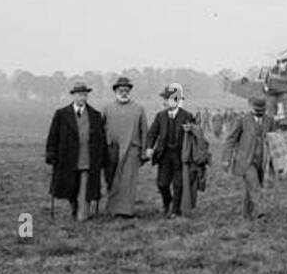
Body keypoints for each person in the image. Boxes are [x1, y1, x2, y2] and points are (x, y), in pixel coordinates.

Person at [46, 80, 107, 221]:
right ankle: (74, 206)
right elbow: (53, 136)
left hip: (88, 158)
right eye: (79, 95)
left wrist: (103, 157)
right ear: (73, 96)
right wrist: (51, 153)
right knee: (70, 187)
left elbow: (101, 138)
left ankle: (82, 214)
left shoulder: (95, 115)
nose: (82, 98)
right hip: (68, 158)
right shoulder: (61, 114)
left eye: (85, 95)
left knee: (86, 188)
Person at [145, 83, 197, 217]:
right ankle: (167, 202)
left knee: (178, 184)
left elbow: (197, 134)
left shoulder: (187, 116)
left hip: (180, 156)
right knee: (162, 184)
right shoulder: (160, 116)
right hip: (164, 155)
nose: (164, 101)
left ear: (177, 100)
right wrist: (150, 147)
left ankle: (175, 210)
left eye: (167, 98)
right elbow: (152, 133)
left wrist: (191, 130)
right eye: (164, 98)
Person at [102, 76, 147, 218]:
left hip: (132, 150)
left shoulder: (139, 109)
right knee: (112, 179)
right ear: (115, 91)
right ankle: (113, 209)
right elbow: (100, 130)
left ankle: (126, 211)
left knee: (128, 181)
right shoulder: (107, 109)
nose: (124, 93)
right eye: (121, 90)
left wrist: (144, 152)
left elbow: (144, 131)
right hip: (112, 151)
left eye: (126, 90)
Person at [224, 93, 274, 221]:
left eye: (262, 111)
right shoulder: (242, 120)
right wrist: (226, 159)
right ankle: (261, 213)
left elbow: (273, 139)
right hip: (245, 161)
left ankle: (246, 214)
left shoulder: (269, 120)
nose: (259, 113)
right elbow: (230, 139)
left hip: (262, 161)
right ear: (252, 108)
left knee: (251, 187)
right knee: (255, 186)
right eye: (257, 110)